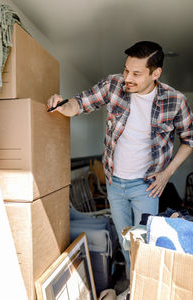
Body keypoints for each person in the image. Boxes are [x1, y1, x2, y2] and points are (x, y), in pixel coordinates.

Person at [47, 41, 193, 277]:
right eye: (126, 70)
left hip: (147, 187)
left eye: (136, 73)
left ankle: (145, 286)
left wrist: (167, 174)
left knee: (145, 245)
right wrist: (62, 105)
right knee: (125, 243)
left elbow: (189, 140)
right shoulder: (113, 85)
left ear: (156, 73)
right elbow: (81, 103)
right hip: (115, 184)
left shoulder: (175, 100)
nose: (128, 77)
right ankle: (131, 286)